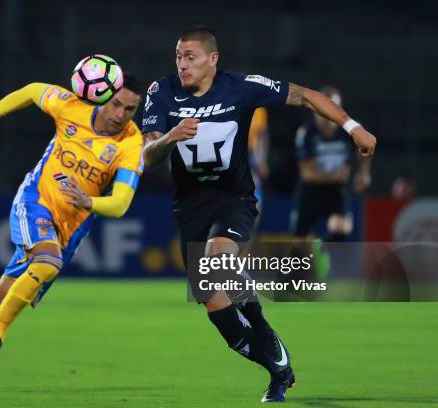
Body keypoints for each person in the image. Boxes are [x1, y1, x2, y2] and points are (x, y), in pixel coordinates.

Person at [141, 26, 376, 403]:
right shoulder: (161, 92)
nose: (182, 64)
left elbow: (307, 97)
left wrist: (353, 127)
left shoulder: (242, 86)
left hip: (233, 198)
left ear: (212, 59)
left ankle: (262, 327)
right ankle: (277, 369)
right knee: (214, 304)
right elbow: (147, 157)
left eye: (190, 57)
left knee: (219, 258)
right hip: (189, 207)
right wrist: (170, 137)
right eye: (178, 57)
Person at [0, 73, 144, 390]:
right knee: (47, 263)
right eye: (117, 104)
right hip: (35, 201)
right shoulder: (71, 106)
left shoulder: (131, 144)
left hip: (69, 229)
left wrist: (88, 201)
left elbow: (120, 205)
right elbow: (33, 91)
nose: (121, 114)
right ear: (103, 97)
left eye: (130, 109)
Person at [291, 85, 372, 242]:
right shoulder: (306, 132)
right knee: (299, 240)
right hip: (310, 191)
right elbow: (306, 174)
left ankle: (323, 254)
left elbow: (366, 146)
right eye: (323, 108)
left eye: (334, 107)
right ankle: (311, 254)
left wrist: (363, 173)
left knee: (342, 229)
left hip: (335, 191)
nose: (328, 115)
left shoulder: (349, 130)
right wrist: (336, 176)